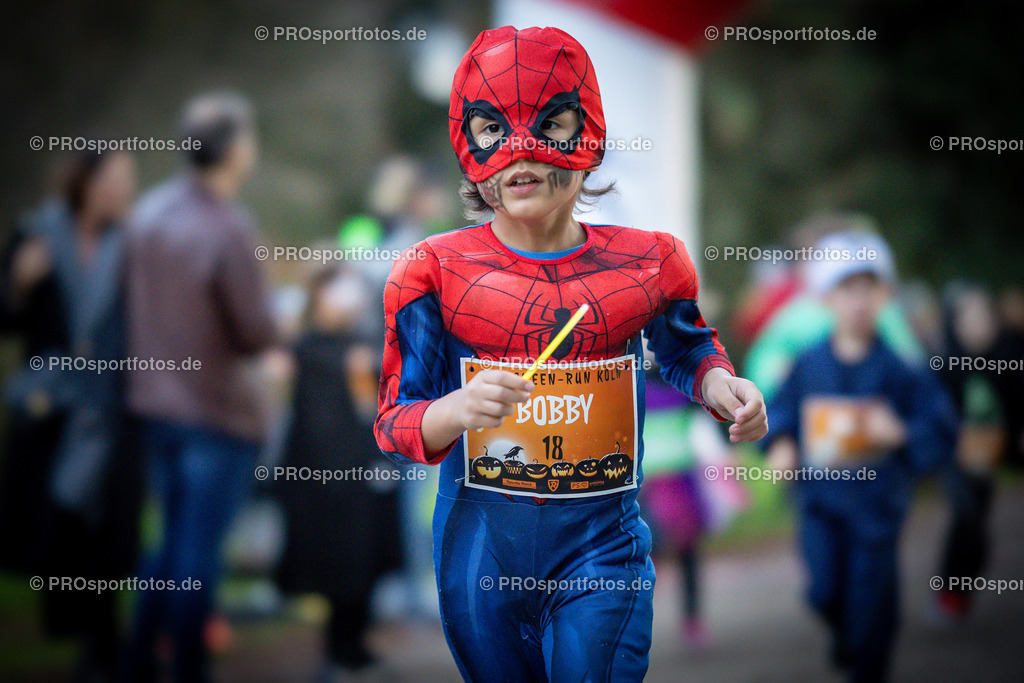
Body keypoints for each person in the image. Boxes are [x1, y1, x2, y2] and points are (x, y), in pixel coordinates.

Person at [374, 26, 768, 681]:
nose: (519, 154)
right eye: (492, 129)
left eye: (551, 123)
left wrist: (725, 386)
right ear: (468, 145)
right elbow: (394, 424)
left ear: (586, 134)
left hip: (601, 549)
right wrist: (458, 407)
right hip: (481, 558)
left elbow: (692, 352)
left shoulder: (650, 260)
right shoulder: (430, 271)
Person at [122, 92, 276, 683]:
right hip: (216, 413)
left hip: (151, 408)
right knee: (196, 551)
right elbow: (255, 330)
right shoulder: (226, 225)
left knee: (166, 545)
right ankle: (188, 668)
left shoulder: (149, 212)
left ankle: (137, 663)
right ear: (234, 150)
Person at [763, 230, 957, 682]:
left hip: (876, 508)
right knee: (823, 591)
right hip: (819, 505)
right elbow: (781, 411)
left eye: (869, 289)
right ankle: (846, 635)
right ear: (826, 299)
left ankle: (867, 661)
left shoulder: (900, 368)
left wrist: (903, 432)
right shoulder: (806, 364)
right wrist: (781, 443)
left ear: (884, 295)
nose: (859, 301)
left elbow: (939, 425)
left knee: (872, 602)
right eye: (847, 289)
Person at [0, 146, 141, 682]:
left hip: (113, 407)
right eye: (115, 179)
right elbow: (6, 319)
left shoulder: (130, 244)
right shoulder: (36, 234)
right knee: (60, 516)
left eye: (129, 180)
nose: (124, 190)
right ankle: (78, 633)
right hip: (50, 408)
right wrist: (19, 282)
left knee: (104, 525)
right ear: (86, 181)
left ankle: (102, 647)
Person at [273, 264, 401, 675]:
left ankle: (354, 642)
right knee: (335, 563)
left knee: (366, 560)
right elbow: (305, 415)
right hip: (323, 479)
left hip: (368, 474)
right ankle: (337, 647)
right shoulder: (305, 350)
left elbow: (382, 409)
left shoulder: (370, 345)